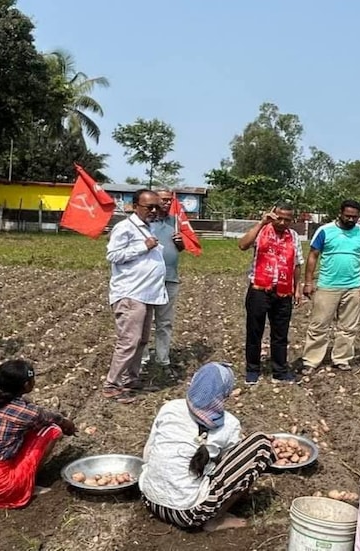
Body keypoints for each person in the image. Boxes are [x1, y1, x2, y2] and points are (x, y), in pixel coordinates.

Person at [139, 362, 275, 532]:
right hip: (188, 513)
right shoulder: (230, 424)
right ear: (225, 394)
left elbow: (148, 453)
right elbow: (228, 467)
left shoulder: (170, 408)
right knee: (260, 442)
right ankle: (215, 520)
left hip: (151, 500)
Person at [0, 359, 77, 509]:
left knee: (27, 431)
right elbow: (57, 420)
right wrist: (69, 426)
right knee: (52, 430)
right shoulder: (26, 412)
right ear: (27, 385)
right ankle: (28, 482)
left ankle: (18, 472)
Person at [103, 189, 168, 403]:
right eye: (149, 206)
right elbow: (113, 255)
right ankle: (112, 384)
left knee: (141, 341)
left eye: (157, 206)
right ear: (134, 206)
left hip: (147, 293)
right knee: (129, 340)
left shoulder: (149, 227)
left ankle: (131, 378)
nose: (154, 210)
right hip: (130, 293)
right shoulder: (125, 227)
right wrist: (143, 247)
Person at [302, 199, 360, 371]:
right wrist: (308, 282)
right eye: (347, 216)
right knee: (319, 325)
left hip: (353, 287)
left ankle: (341, 358)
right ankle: (311, 361)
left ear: (359, 217)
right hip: (327, 285)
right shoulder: (325, 231)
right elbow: (313, 256)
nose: (351, 220)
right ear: (340, 213)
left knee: (348, 327)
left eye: (354, 217)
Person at [238, 202, 304, 385]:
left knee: (280, 333)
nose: (282, 222)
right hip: (259, 289)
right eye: (279, 218)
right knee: (254, 331)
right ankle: (252, 370)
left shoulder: (294, 237)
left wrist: (297, 288)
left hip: (283, 291)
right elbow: (242, 245)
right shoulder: (262, 231)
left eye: (287, 220)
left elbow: (297, 264)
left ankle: (280, 371)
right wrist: (261, 223)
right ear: (273, 215)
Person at [141, 188, 185, 376]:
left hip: (170, 278)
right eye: (164, 200)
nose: (167, 203)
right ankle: (141, 360)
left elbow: (180, 249)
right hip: (147, 279)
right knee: (143, 321)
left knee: (164, 322)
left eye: (170, 200)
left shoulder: (175, 222)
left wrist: (180, 243)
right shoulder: (143, 223)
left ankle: (163, 359)